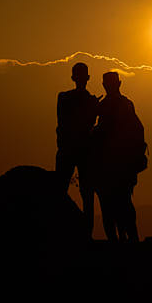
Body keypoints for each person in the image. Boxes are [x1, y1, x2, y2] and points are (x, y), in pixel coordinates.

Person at [90, 71, 145, 243]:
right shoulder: (117, 105)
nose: (108, 86)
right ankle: (125, 239)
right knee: (119, 203)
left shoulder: (114, 105)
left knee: (115, 204)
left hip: (117, 164)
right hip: (114, 164)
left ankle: (124, 239)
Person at [55, 61, 100, 237]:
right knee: (84, 194)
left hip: (73, 151)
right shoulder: (71, 98)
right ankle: (82, 233)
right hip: (79, 151)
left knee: (80, 193)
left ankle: (77, 233)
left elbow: (65, 123)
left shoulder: (64, 97)